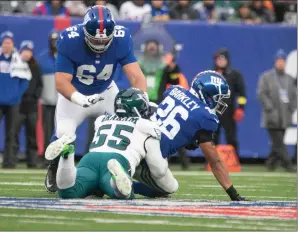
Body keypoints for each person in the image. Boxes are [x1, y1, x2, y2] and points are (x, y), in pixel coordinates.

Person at [44, 5, 148, 193]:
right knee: (64, 135)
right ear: (84, 32)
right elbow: (61, 82)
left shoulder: (122, 37)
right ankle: (54, 165)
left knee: (133, 128)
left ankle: (135, 169)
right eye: (94, 40)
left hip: (106, 92)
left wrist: (143, 100)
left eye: (104, 40)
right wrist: (78, 98)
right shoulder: (69, 39)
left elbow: (136, 77)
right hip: (74, 94)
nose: (100, 45)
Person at [133, 70, 247, 201]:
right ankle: (126, 187)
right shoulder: (205, 117)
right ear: (207, 95)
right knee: (168, 188)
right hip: (150, 156)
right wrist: (233, 193)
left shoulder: (175, 90)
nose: (219, 102)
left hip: (137, 137)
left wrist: (189, 138)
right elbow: (215, 161)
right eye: (218, 97)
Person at [45, 88, 178, 199]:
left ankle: (67, 154)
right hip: (118, 160)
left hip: (90, 159)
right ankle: (116, 181)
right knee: (124, 194)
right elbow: (159, 170)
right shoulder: (147, 126)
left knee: (68, 192)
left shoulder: (102, 120)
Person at [0, 31, 31, 168]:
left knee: (11, 133)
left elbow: (25, 80)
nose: (7, 45)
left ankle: (9, 162)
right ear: (1, 43)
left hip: (13, 103)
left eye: (9, 42)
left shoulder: (18, 59)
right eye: (5, 42)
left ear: (13, 44)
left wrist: (17, 95)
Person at [257, 49, 297, 172]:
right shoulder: (266, 77)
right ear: (275, 62)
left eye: (283, 61)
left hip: (285, 116)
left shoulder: (289, 79)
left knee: (277, 144)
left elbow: (294, 95)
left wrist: (292, 108)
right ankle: (288, 164)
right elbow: (261, 93)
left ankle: (271, 163)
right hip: (272, 117)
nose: (281, 63)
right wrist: (270, 108)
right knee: (279, 142)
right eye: (279, 61)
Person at [212, 48, 247, 158]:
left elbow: (242, 93)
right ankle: (211, 162)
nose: (221, 61)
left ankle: (234, 161)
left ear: (227, 60)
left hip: (229, 111)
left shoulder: (235, 75)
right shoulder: (210, 74)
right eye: (218, 59)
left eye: (223, 59)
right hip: (213, 111)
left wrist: (240, 108)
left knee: (231, 138)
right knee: (212, 138)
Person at [14, 41, 43, 168]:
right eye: (25, 51)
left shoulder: (36, 67)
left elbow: (40, 85)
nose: (27, 54)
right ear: (21, 51)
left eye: (29, 51)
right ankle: (11, 159)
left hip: (31, 106)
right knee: (14, 132)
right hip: (18, 105)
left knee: (31, 134)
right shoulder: (15, 65)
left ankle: (31, 161)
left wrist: (35, 96)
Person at [39, 30, 59, 166]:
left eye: (57, 41)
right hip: (47, 100)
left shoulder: (66, 58)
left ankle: (60, 157)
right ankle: (47, 157)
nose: (54, 43)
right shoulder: (43, 58)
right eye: (52, 41)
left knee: (62, 130)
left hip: (63, 101)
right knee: (47, 130)